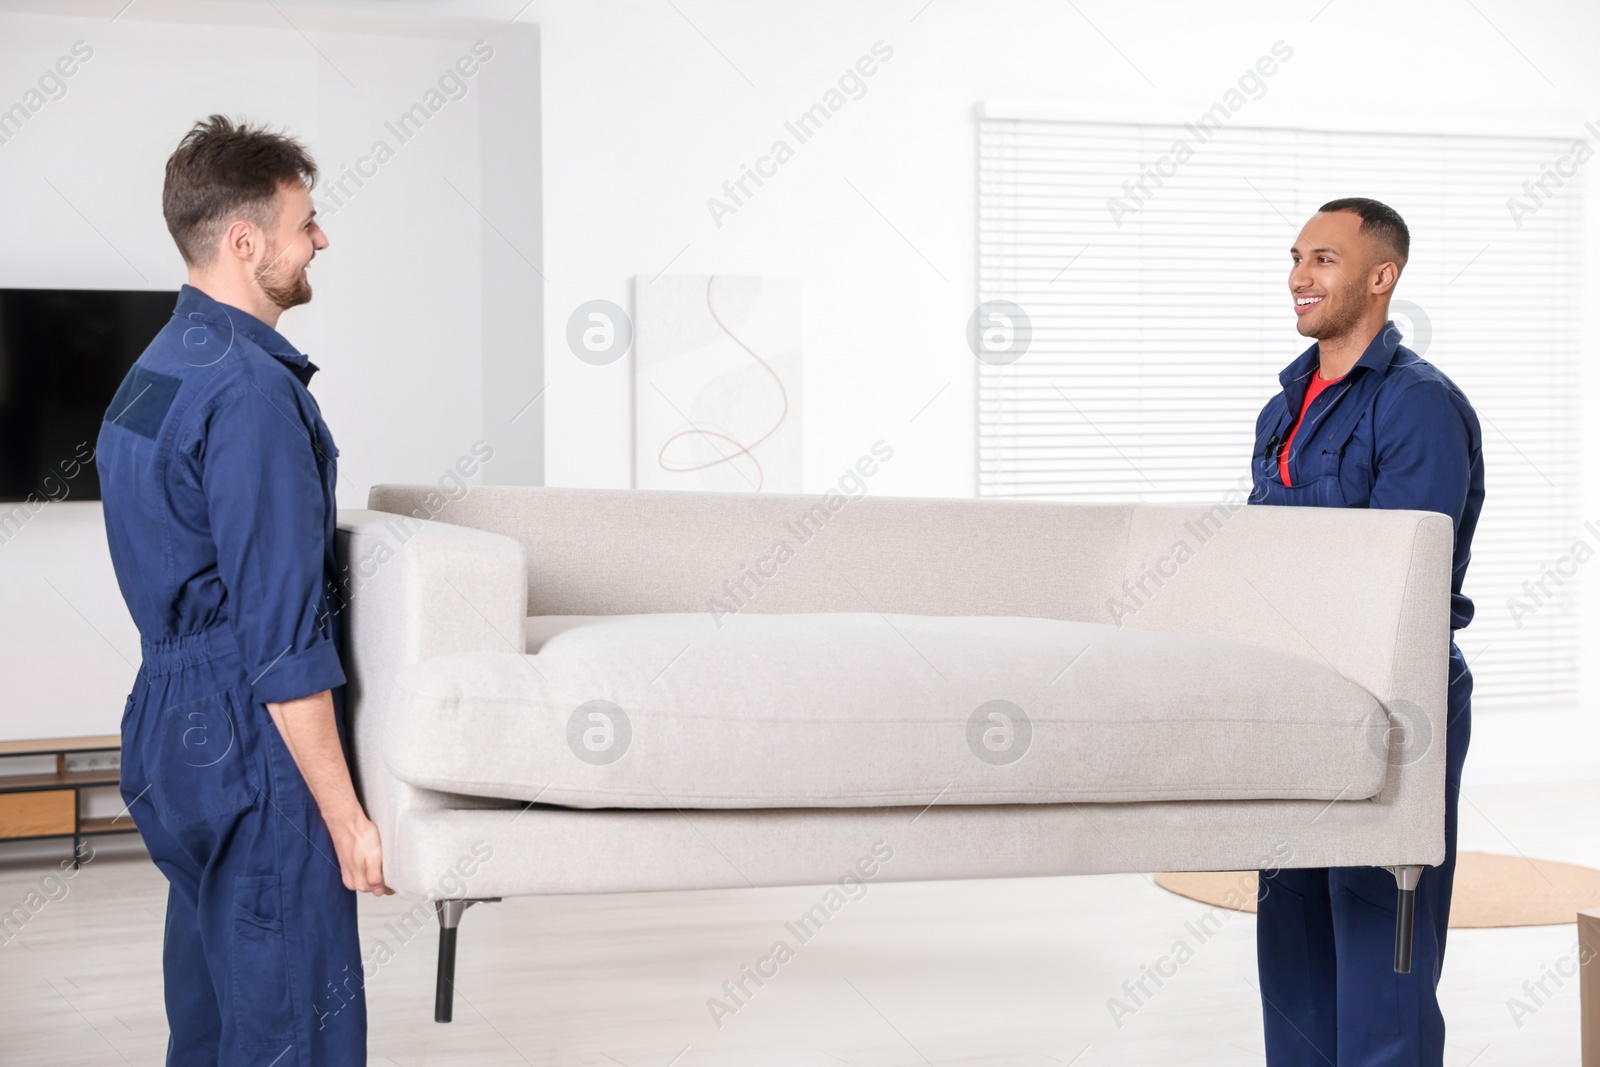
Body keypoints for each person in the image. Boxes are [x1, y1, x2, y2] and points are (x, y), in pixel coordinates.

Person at [96, 115, 390, 1066]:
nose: (322, 240)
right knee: (291, 1026)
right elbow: (279, 641)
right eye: (307, 224)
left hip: (165, 728)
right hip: (248, 739)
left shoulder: (150, 373)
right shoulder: (254, 395)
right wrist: (348, 819)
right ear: (245, 241)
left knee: (216, 1016)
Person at [1248, 197, 1484, 1065]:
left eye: (1325, 260)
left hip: (1394, 697)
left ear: (1382, 277)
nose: (1299, 277)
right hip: (1292, 692)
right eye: (1297, 256)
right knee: (1295, 938)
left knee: (1380, 931)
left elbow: (1401, 583)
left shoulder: (1418, 405)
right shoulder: (1286, 404)